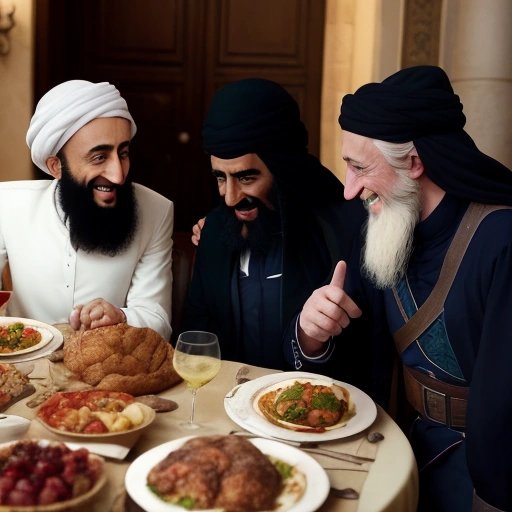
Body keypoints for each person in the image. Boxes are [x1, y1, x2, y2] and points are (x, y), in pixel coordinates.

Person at [293, 65, 512, 512]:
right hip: (399, 447)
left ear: (413, 162)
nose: (350, 190)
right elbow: (349, 346)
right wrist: (311, 333)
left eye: (359, 168)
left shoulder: (501, 240)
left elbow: (502, 410)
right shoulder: (383, 223)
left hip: (484, 476)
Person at [182, 78, 383, 388]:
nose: (231, 197)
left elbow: (365, 355)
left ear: (283, 168)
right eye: (221, 178)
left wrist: (309, 340)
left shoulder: (344, 232)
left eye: (246, 177)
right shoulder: (215, 231)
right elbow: (196, 335)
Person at [0, 80, 173, 339]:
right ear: (56, 166)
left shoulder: (157, 211)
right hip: (23, 367)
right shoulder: (7, 203)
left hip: (108, 369)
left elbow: (157, 319)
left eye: (123, 153)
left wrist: (122, 317)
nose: (118, 175)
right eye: (99, 157)